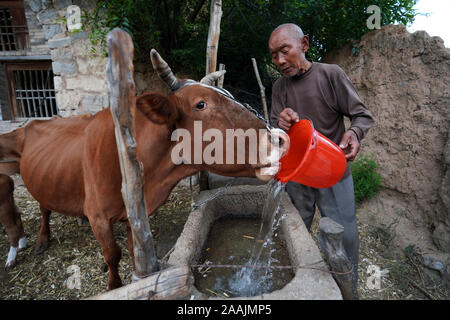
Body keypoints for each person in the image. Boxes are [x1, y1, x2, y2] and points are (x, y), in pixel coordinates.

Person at [268, 23, 375, 291]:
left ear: (303, 44)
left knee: (346, 236)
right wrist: (280, 126)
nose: (279, 61)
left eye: (284, 50)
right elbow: (274, 135)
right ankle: (297, 288)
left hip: (332, 171)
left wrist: (355, 134)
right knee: (293, 232)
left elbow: (362, 115)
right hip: (297, 175)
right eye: (273, 55)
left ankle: (348, 290)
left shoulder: (330, 75)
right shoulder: (279, 88)